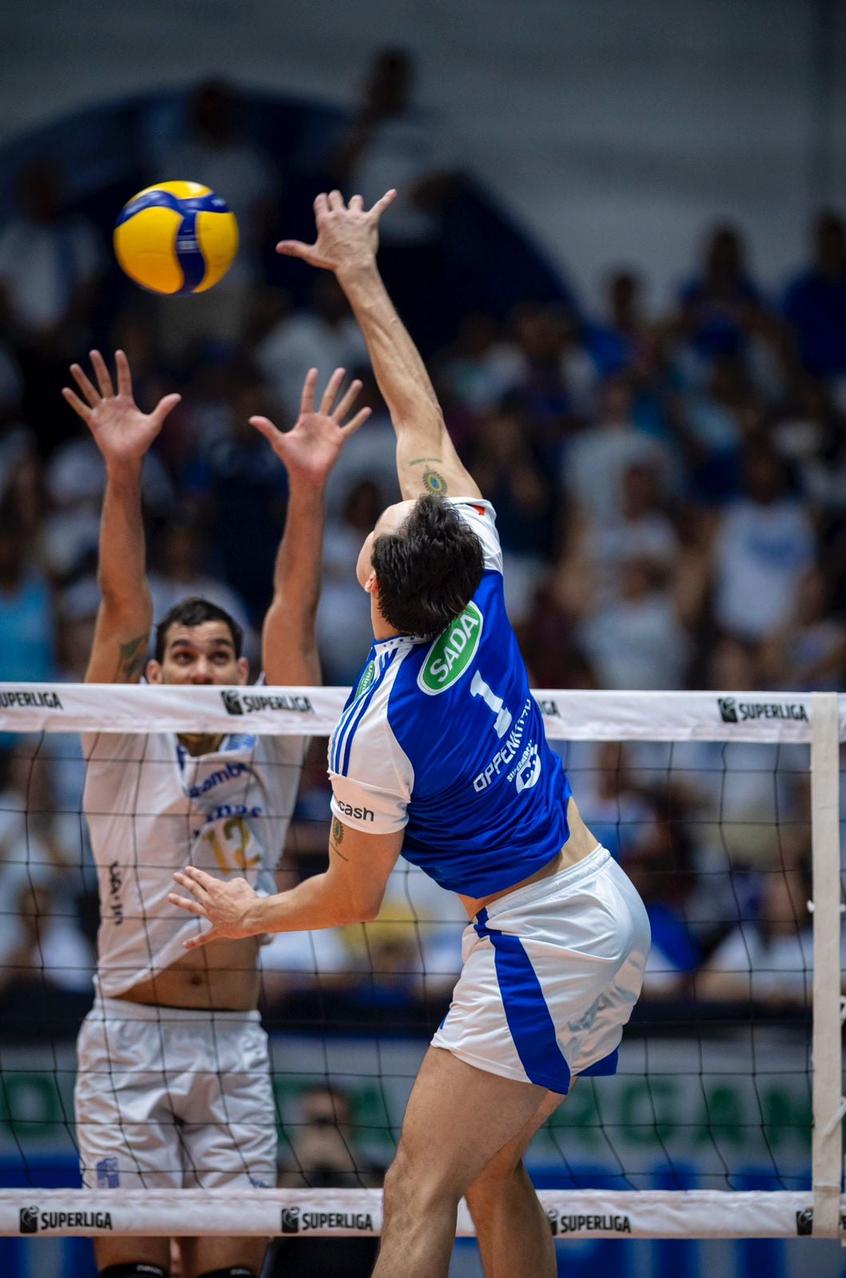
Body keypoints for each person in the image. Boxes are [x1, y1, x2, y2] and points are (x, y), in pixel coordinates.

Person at [170, 191, 650, 1278]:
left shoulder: (377, 723)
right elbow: (419, 419)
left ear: (371, 584)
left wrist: (250, 912)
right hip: (594, 903)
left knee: (413, 1188)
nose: (391, 503)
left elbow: (351, 900)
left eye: (380, 520)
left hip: (543, 938)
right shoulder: (474, 575)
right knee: (488, 1175)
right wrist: (360, 272)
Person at [62, 349, 369, 1278]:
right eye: (183, 657)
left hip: (233, 1041)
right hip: (125, 1035)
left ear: (244, 676)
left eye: (219, 656)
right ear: (152, 677)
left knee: (234, 1274)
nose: (200, 670)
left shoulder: (270, 745)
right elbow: (123, 604)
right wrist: (123, 472)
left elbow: (296, 605)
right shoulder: (117, 735)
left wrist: (308, 488)